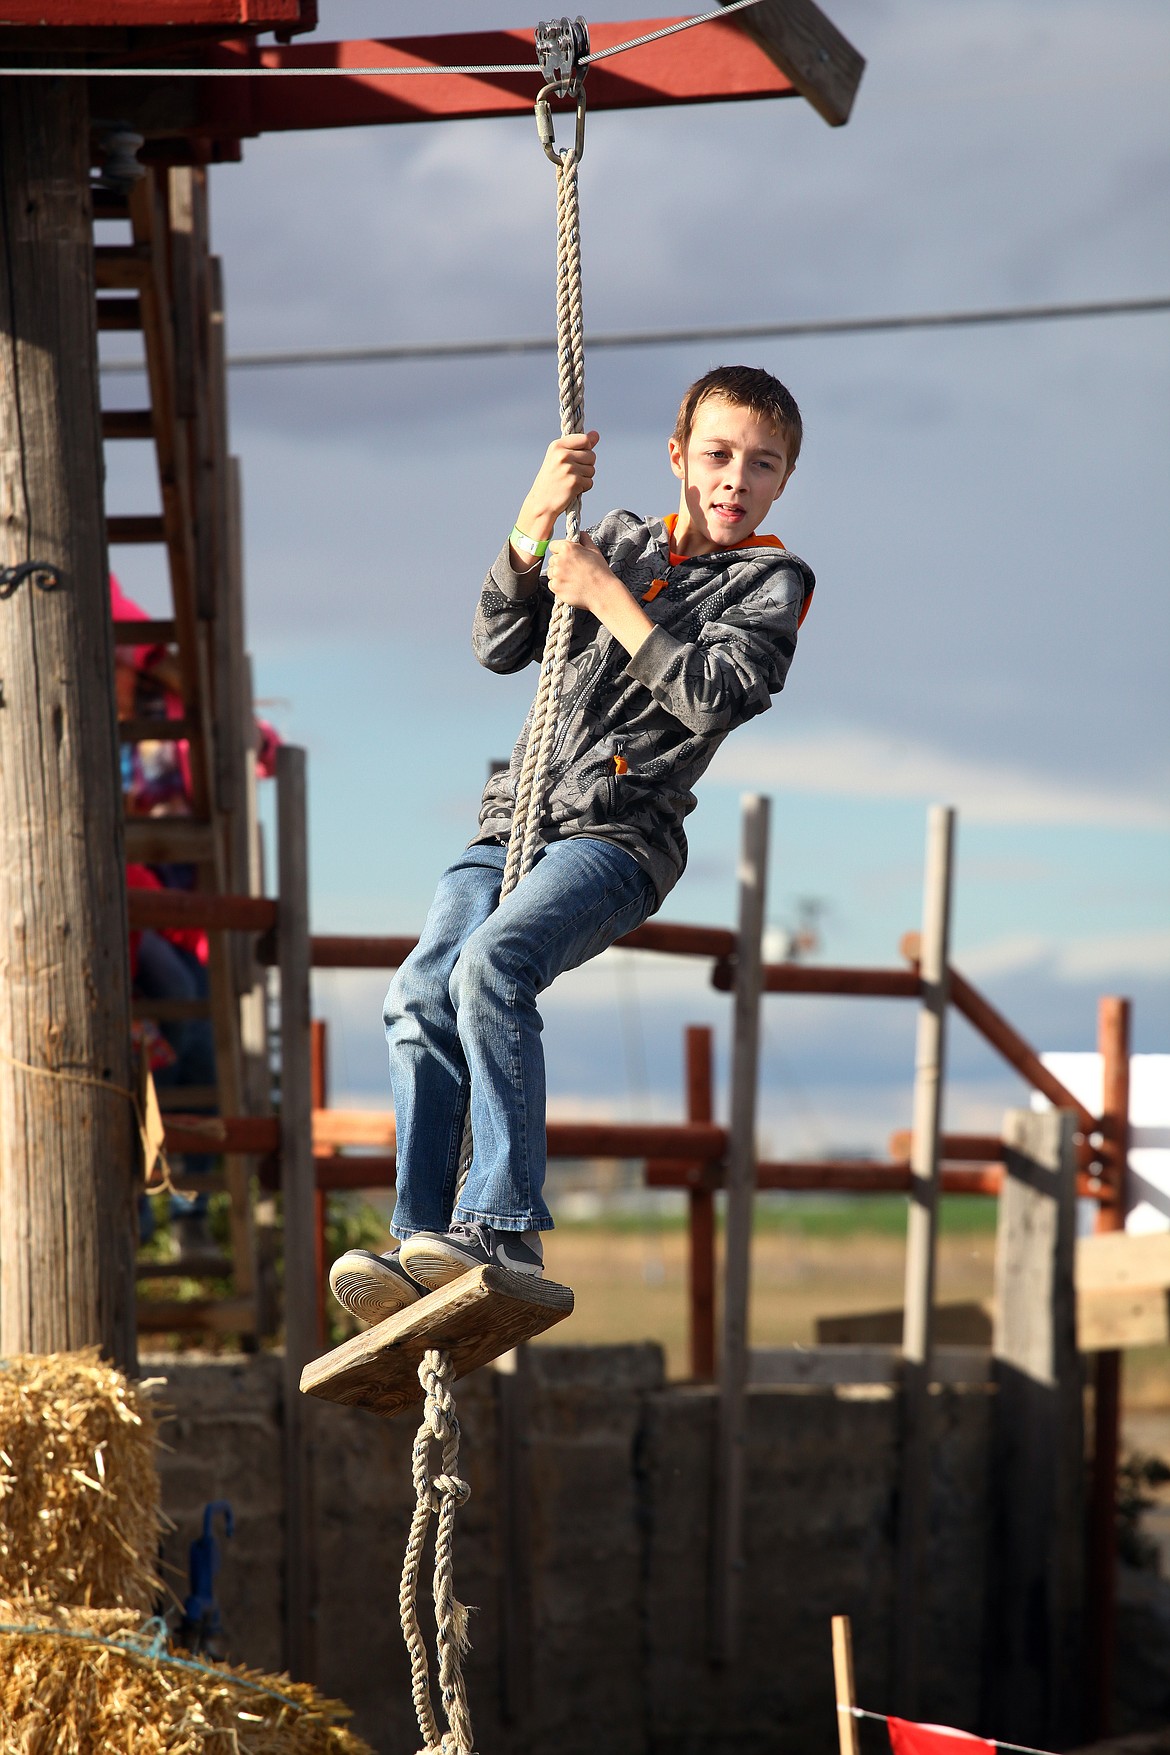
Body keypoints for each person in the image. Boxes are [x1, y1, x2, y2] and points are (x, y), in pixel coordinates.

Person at [329, 364, 816, 1324]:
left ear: (783, 480)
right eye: (717, 456)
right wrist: (533, 522)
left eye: (760, 466)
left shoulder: (773, 582)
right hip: (517, 818)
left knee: (495, 963)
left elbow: (714, 694)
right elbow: (498, 641)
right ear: (679, 455)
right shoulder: (621, 538)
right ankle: (420, 1239)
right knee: (420, 990)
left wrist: (604, 597)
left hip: (619, 834)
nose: (734, 479)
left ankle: (502, 1223)